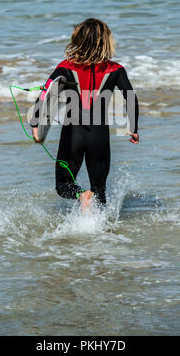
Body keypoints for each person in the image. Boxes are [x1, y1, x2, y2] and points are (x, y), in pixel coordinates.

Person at [30, 18, 139, 212]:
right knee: (100, 190)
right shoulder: (116, 70)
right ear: (106, 41)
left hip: (73, 132)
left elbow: (45, 94)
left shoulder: (65, 66)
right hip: (99, 134)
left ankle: (81, 195)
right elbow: (130, 98)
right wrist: (133, 128)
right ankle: (98, 231)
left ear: (77, 40)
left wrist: (35, 125)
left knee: (63, 185)